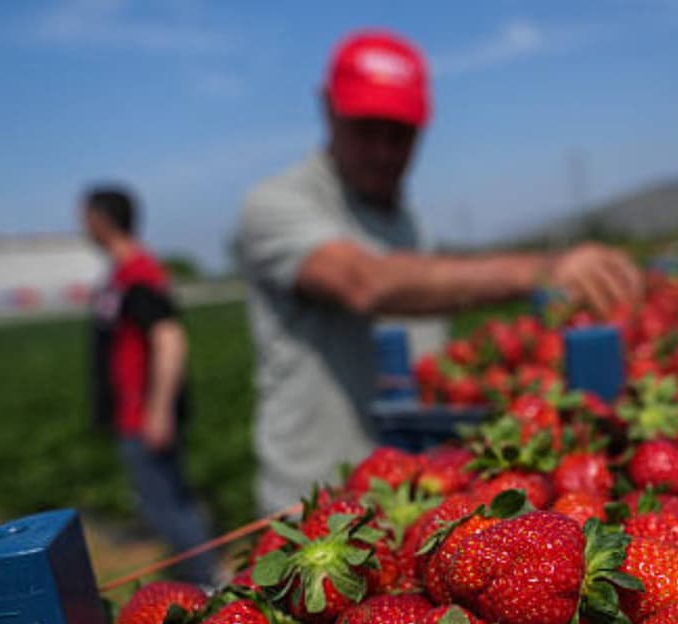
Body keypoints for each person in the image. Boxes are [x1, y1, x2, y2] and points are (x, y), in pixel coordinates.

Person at [233, 30, 644, 514]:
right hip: (315, 502)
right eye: (366, 128)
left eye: (400, 134)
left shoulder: (409, 223)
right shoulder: (276, 205)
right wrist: (544, 270)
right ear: (327, 108)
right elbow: (364, 282)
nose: (384, 151)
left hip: (419, 492)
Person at [84, 186, 218, 585]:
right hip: (134, 413)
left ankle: (208, 586)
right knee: (165, 501)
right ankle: (199, 580)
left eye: (86, 216)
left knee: (169, 505)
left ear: (101, 220)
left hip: (142, 413)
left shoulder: (138, 274)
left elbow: (169, 338)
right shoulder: (122, 275)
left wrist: (158, 411)